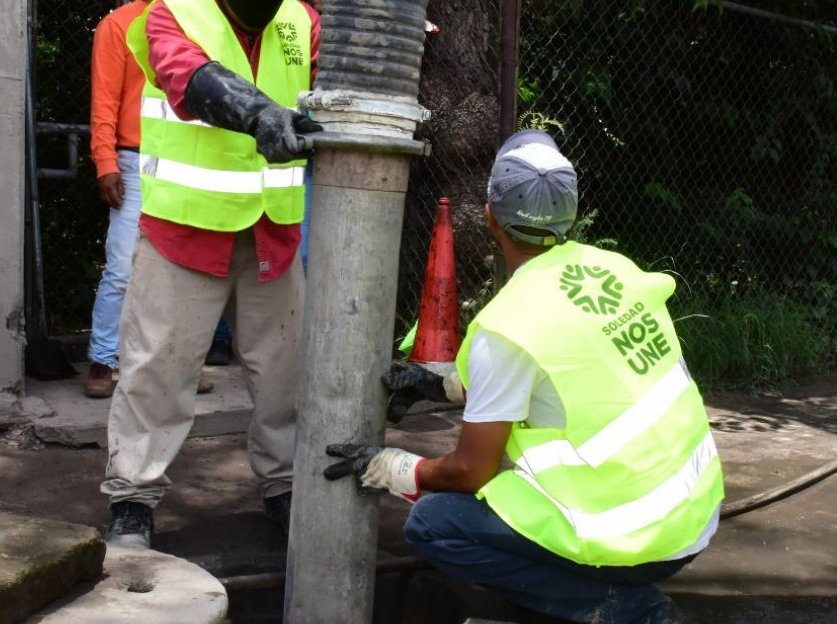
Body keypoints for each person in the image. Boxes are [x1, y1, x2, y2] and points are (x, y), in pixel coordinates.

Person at [324, 130, 724, 623]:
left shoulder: (506, 327)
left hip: (632, 540)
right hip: (692, 518)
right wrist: (440, 386)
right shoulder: (613, 269)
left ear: (490, 217)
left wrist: (397, 467)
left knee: (434, 524)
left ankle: (631, 611)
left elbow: (470, 473)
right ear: (570, 216)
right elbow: (568, 369)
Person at [101, 0, 321, 548]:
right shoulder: (172, 12)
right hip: (185, 229)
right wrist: (260, 114)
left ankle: (285, 485)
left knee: (287, 372)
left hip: (272, 230)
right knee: (157, 368)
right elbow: (189, 74)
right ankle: (132, 495)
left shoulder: (301, 19)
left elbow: (337, 88)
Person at [86, 0, 213, 398]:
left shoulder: (198, 20)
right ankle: (104, 359)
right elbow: (104, 100)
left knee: (186, 268)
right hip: (135, 160)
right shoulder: (118, 25)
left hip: (187, 158)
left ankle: (180, 366)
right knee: (123, 266)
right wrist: (105, 162)